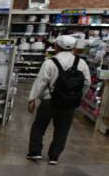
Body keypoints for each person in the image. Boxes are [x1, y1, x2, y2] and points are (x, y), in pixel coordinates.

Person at [27, 35, 91, 165]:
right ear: (73, 47)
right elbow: (87, 83)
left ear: (57, 46)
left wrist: (32, 99)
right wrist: (76, 97)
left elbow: (41, 82)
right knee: (62, 130)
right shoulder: (81, 63)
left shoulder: (50, 62)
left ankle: (35, 152)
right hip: (69, 104)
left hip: (49, 100)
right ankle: (54, 157)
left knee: (39, 127)